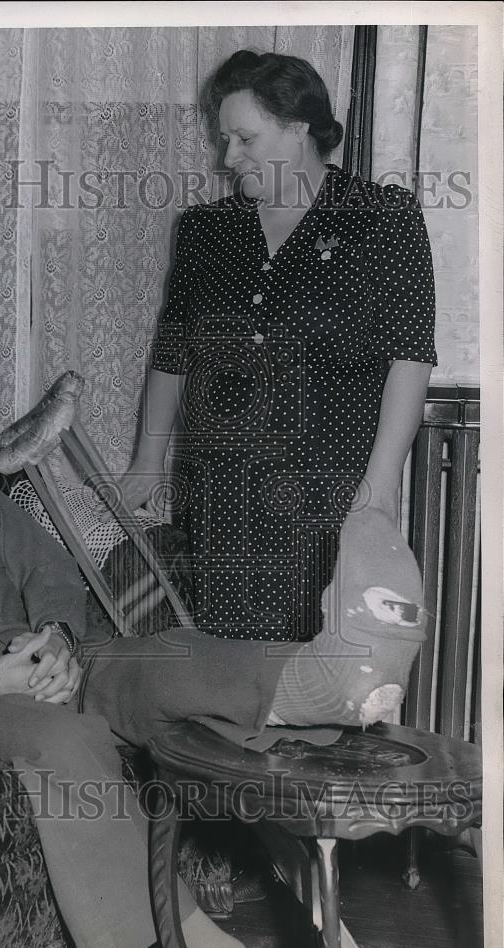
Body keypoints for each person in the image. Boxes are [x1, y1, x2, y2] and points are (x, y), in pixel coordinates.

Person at [0, 352, 428, 948]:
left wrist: (57, 637)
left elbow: (52, 575)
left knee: (173, 655)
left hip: (52, 657)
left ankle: (337, 678)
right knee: (62, 736)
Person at [123, 49, 437, 644]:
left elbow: (410, 356)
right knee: (218, 671)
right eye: (224, 139)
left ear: (298, 129)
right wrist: (145, 461)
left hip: (326, 495)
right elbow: (173, 353)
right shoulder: (205, 230)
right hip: (218, 495)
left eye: (245, 137)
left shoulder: (382, 219)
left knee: (311, 676)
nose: (228, 156)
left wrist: (380, 487)